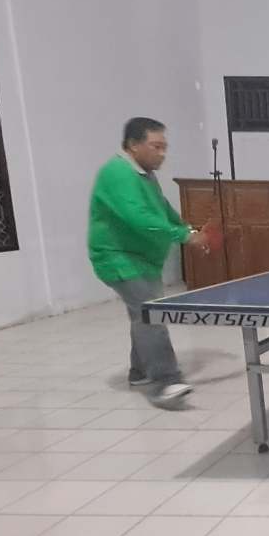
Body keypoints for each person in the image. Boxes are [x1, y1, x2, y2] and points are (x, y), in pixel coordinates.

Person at [88, 117, 208, 409]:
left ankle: (139, 371)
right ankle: (165, 382)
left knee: (142, 313)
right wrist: (183, 236)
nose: (162, 153)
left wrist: (188, 230)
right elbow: (139, 218)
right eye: (156, 146)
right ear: (133, 144)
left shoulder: (145, 174)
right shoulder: (117, 173)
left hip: (143, 260)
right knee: (151, 315)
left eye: (164, 147)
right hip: (118, 258)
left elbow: (161, 209)